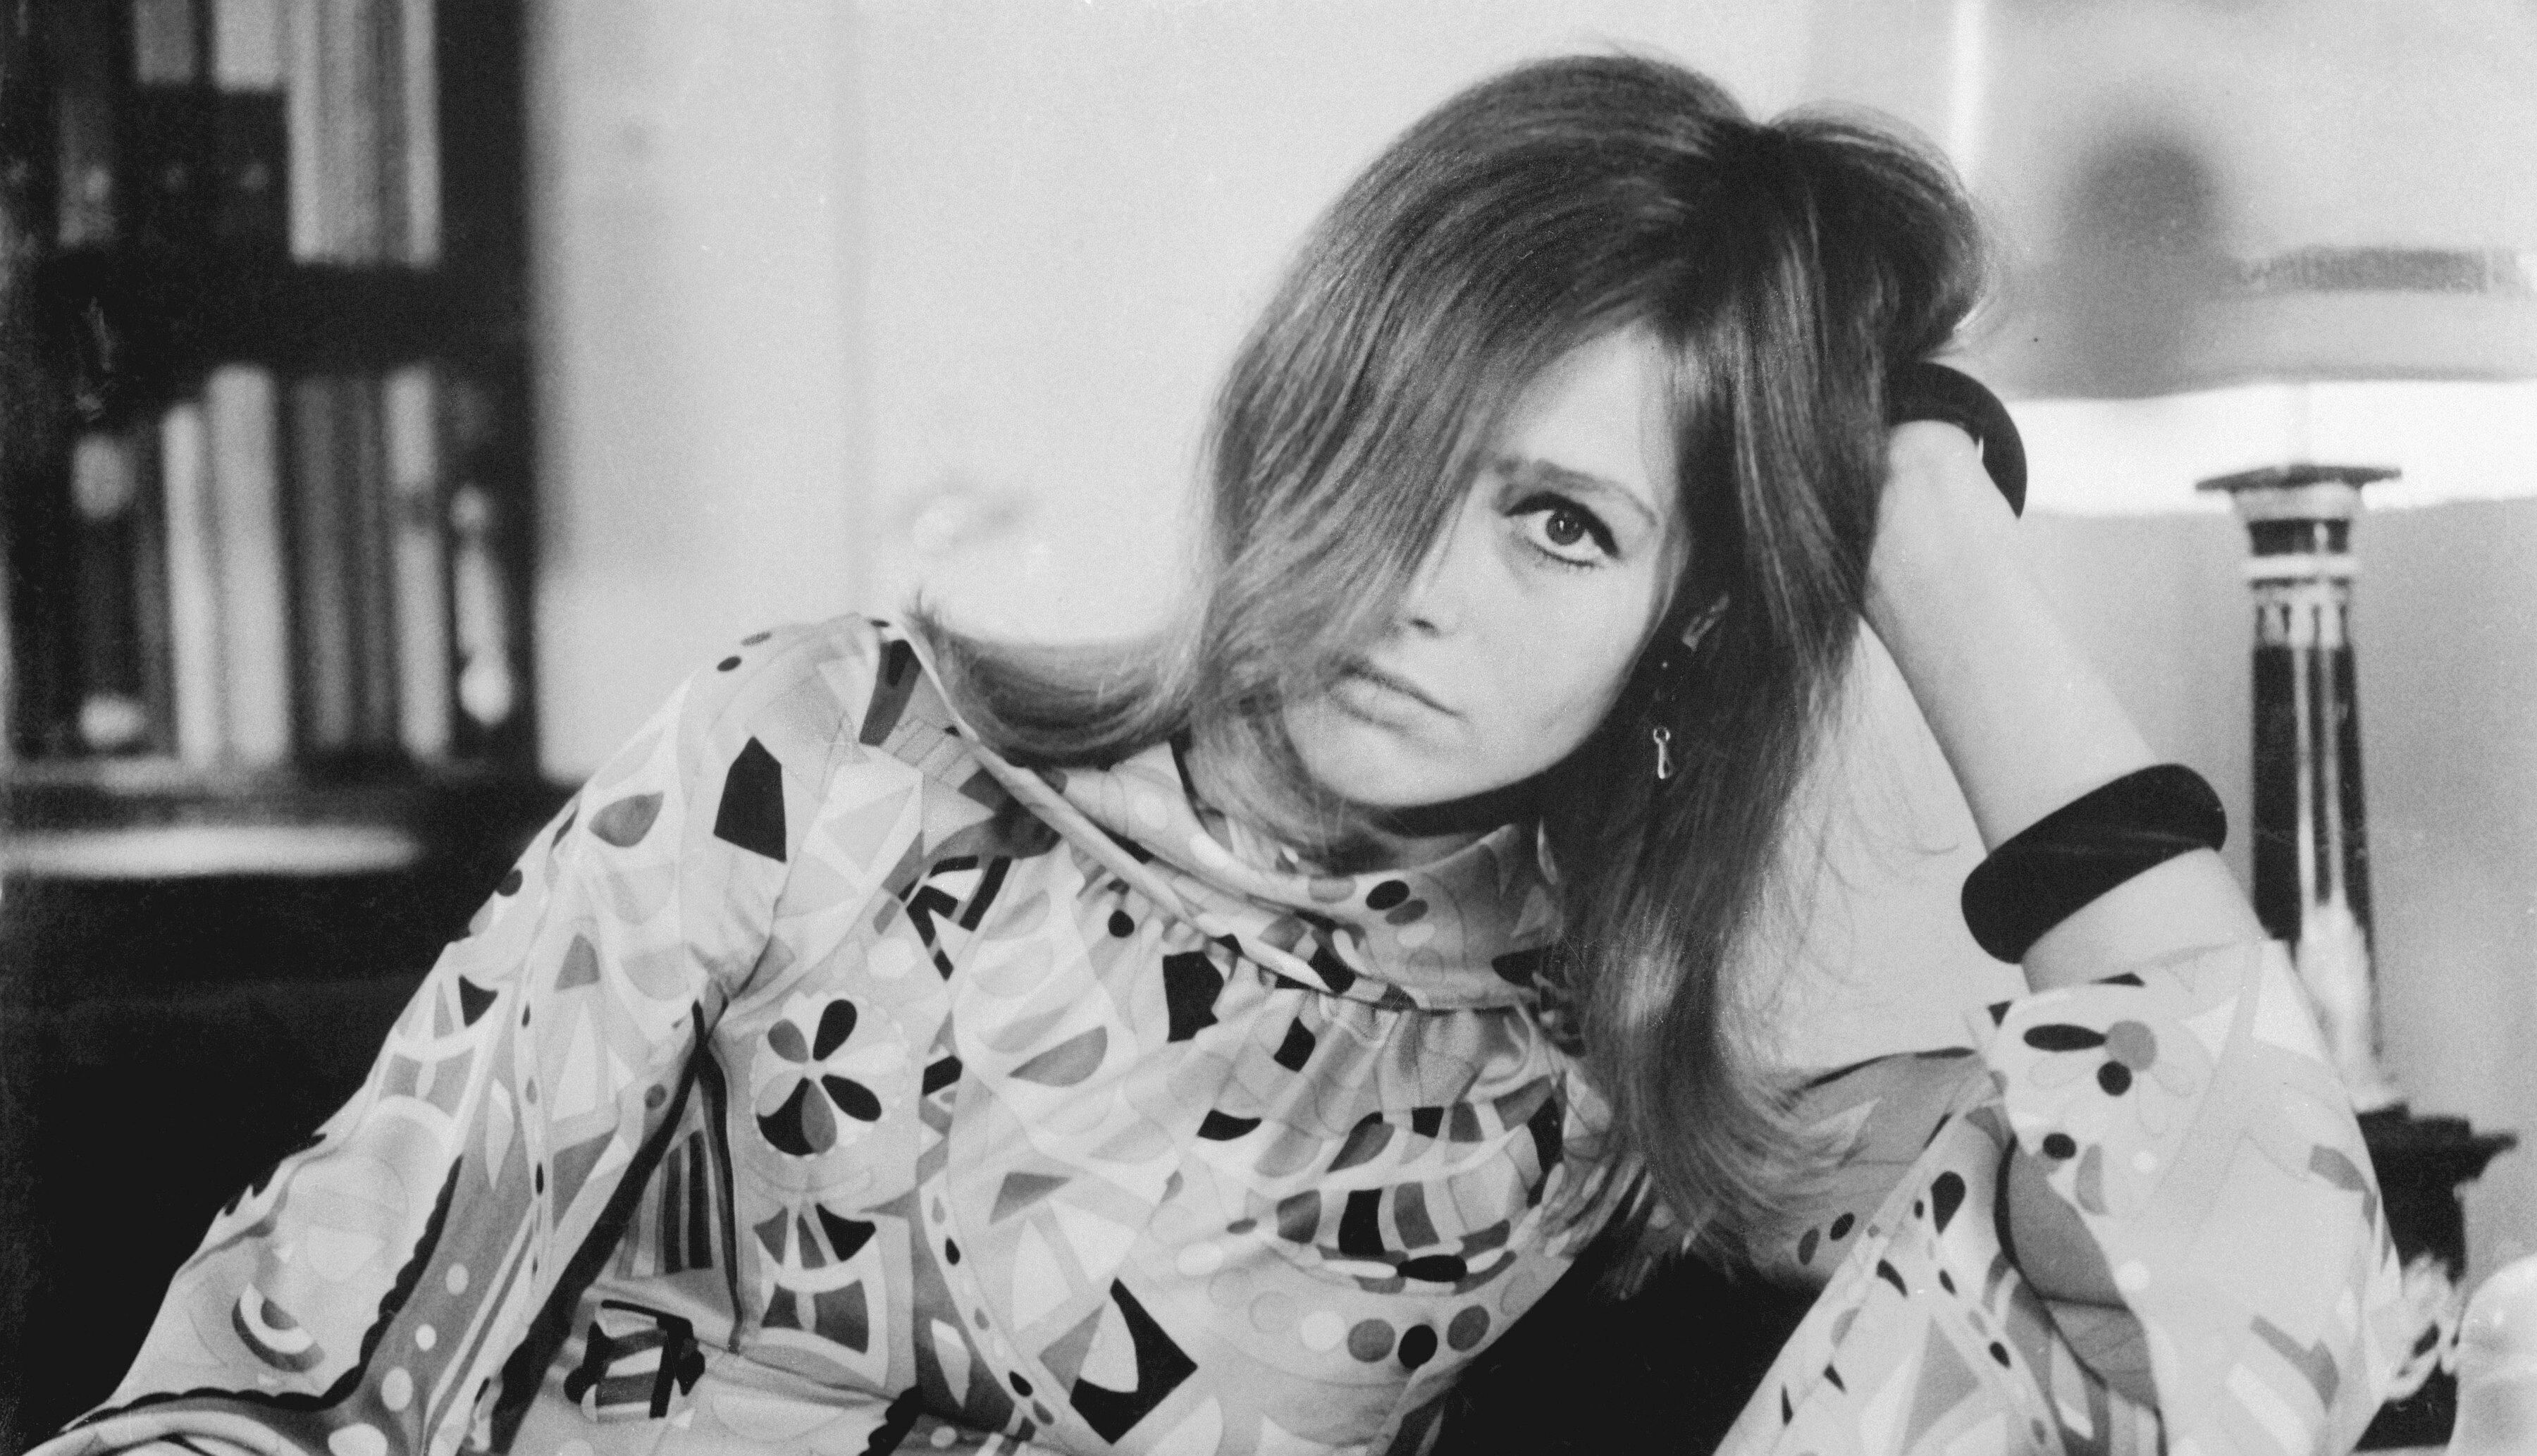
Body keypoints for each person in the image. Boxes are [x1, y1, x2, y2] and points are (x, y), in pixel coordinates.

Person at [38, 54, 2406, 1456]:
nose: (1421, 585)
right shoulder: (830, 749)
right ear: (1295, 412)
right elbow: (292, 1362)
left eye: (1563, 525)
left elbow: (2259, 1282)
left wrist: (1923, 536)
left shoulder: (1585, 1098)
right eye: (1398, 443)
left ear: (1686, 613)